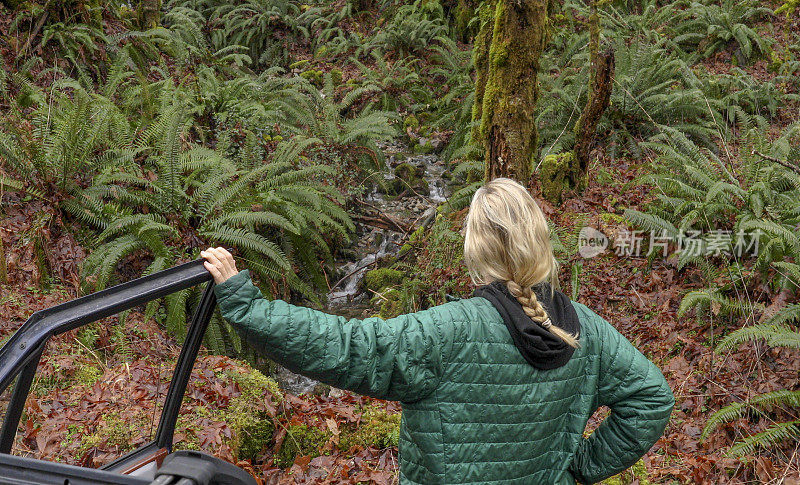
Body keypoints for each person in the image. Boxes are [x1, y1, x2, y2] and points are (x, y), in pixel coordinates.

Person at [201, 177, 674, 484]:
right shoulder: (586, 331)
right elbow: (654, 397)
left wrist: (247, 305)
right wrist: (576, 471)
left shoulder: (447, 333)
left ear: (475, 249)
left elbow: (344, 347)